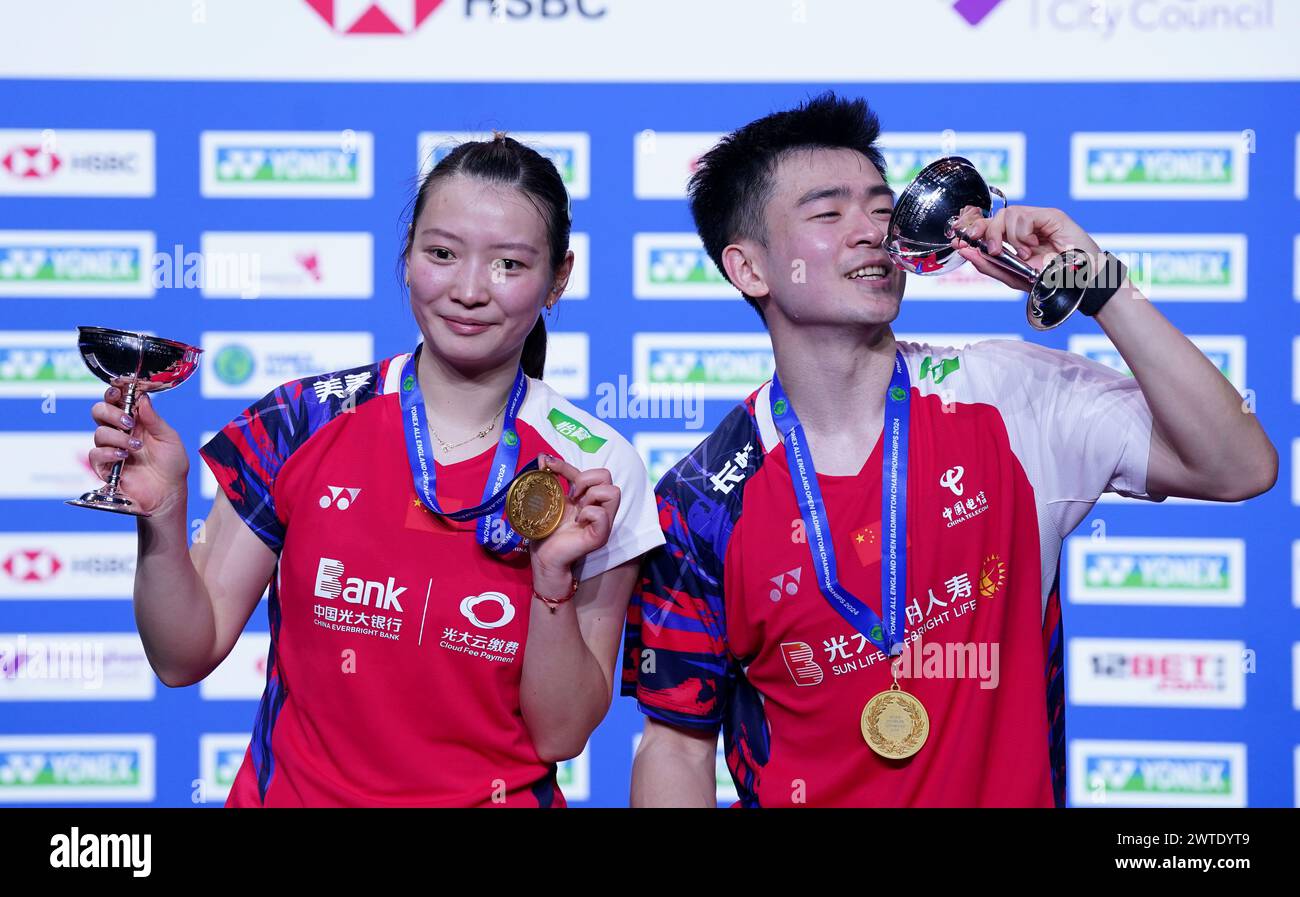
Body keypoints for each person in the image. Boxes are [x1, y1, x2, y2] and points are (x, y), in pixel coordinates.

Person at [621, 93, 1277, 808]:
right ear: (749, 269)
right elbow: (678, 746)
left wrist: (1099, 284)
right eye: (828, 213)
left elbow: (1239, 465)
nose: (871, 232)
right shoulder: (701, 501)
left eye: (880, 207)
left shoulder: (1010, 395)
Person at [89, 134, 663, 807]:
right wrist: (162, 517)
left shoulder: (595, 465)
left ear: (558, 278)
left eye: (509, 263)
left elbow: (560, 732)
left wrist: (550, 579)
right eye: (441, 253)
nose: (469, 289)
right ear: (408, 254)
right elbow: (183, 652)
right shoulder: (303, 419)